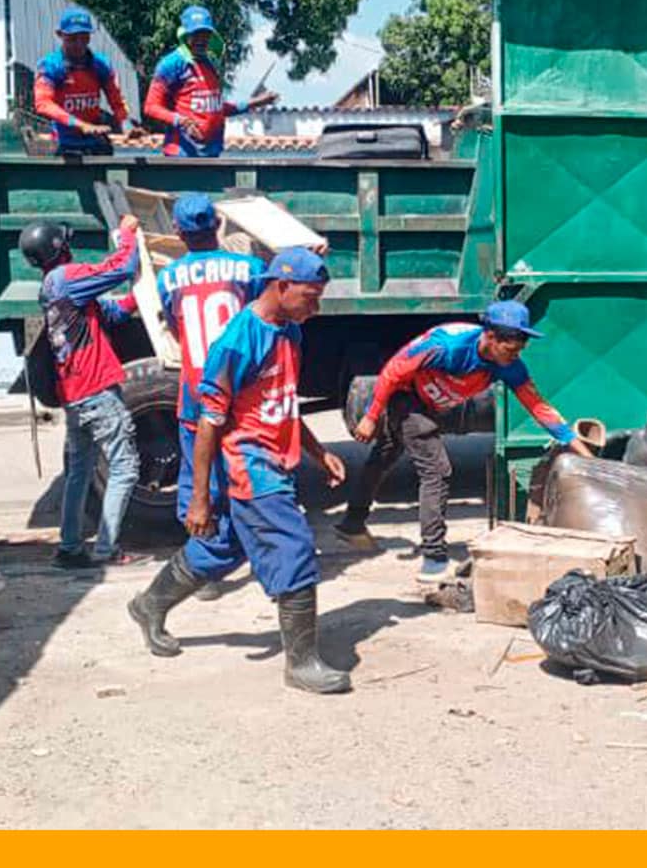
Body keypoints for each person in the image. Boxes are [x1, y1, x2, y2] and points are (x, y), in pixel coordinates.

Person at [127, 247, 353, 694]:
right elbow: (209, 424)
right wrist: (198, 498)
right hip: (252, 465)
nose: (317, 307)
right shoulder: (236, 343)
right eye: (311, 296)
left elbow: (282, 405)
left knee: (224, 545)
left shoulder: (289, 331)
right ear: (281, 286)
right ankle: (301, 663)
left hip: (277, 458)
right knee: (293, 549)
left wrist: (317, 452)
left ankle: (149, 604)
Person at [338, 301, 595, 583]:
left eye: (520, 349)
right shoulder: (446, 348)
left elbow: (539, 408)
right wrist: (371, 415)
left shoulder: (508, 366)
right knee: (436, 470)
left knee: (385, 454)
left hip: (431, 404)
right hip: (406, 396)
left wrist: (584, 454)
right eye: (510, 348)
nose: (515, 355)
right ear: (491, 337)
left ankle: (353, 522)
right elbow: (394, 370)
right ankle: (433, 559)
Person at [114, 193, 263, 600]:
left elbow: (176, 328)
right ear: (218, 225)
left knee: (200, 478)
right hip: (241, 389)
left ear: (178, 231)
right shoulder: (249, 269)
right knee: (244, 467)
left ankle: (203, 567)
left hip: (197, 389)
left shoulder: (169, 277)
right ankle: (250, 549)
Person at [19, 213, 145, 569]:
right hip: (97, 390)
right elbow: (121, 267)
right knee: (124, 467)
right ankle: (108, 549)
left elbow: (113, 313)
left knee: (81, 470)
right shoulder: (68, 278)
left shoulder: (54, 289)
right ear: (59, 248)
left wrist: (143, 295)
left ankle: (70, 547)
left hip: (75, 395)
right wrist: (126, 236)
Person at [143, 5, 278, 158]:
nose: (201, 39)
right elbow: (151, 107)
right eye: (196, 34)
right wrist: (180, 121)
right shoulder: (171, 64)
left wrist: (256, 102)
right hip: (181, 157)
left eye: (205, 34)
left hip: (210, 155)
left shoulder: (208, 64)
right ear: (186, 35)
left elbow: (217, 108)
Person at [33, 8, 129, 153]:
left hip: (95, 141)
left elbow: (117, 102)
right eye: (72, 38)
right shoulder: (50, 66)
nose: (79, 44)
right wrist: (80, 125)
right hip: (64, 143)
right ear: (60, 35)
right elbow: (43, 104)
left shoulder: (101, 65)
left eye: (84, 38)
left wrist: (127, 125)